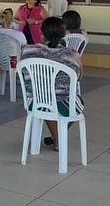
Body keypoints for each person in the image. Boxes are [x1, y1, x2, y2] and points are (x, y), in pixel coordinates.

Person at [20, 17, 83, 151]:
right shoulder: (71, 54)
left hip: (36, 101)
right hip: (64, 103)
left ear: (42, 33)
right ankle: (58, 139)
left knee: (48, 98)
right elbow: (78, 77)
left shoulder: (27, 50)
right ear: (64, 34)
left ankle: (57, 137)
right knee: (77, 104)